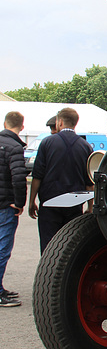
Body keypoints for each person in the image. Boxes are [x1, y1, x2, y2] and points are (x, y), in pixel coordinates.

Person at [29, 108, 94, 254]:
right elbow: (89, 181)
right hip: (75, 205)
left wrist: (31, 201)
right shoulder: (85, 146)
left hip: (50, 203)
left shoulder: (47, 143)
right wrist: (90, 206)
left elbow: (37, 176)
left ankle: (48, 275)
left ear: (59, 122)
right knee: (70, 247)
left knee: (48, 247)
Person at [0, 111, 27, 307]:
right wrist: (20, 203)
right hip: (6, 204)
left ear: (4, 123)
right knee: (2, 248)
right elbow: (18, 178)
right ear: (22, 126)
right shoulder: (14, 147)